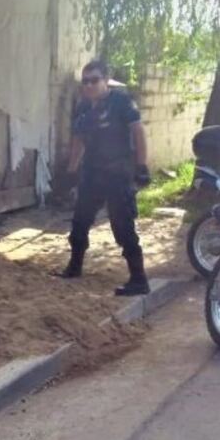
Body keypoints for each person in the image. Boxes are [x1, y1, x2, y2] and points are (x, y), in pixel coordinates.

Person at [56, 60, 152, 296]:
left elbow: (138, 132)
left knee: (122, 225)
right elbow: (78, 140)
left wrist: (141, 165)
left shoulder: (121, 102)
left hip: (118, 173)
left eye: (94, 80)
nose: (89, 85)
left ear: (106, 80)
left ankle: (139, 280)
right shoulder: (82, 107)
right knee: (80, 221)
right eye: (85, 81)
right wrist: (70, 172)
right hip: (92, 173)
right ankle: (74, 267)